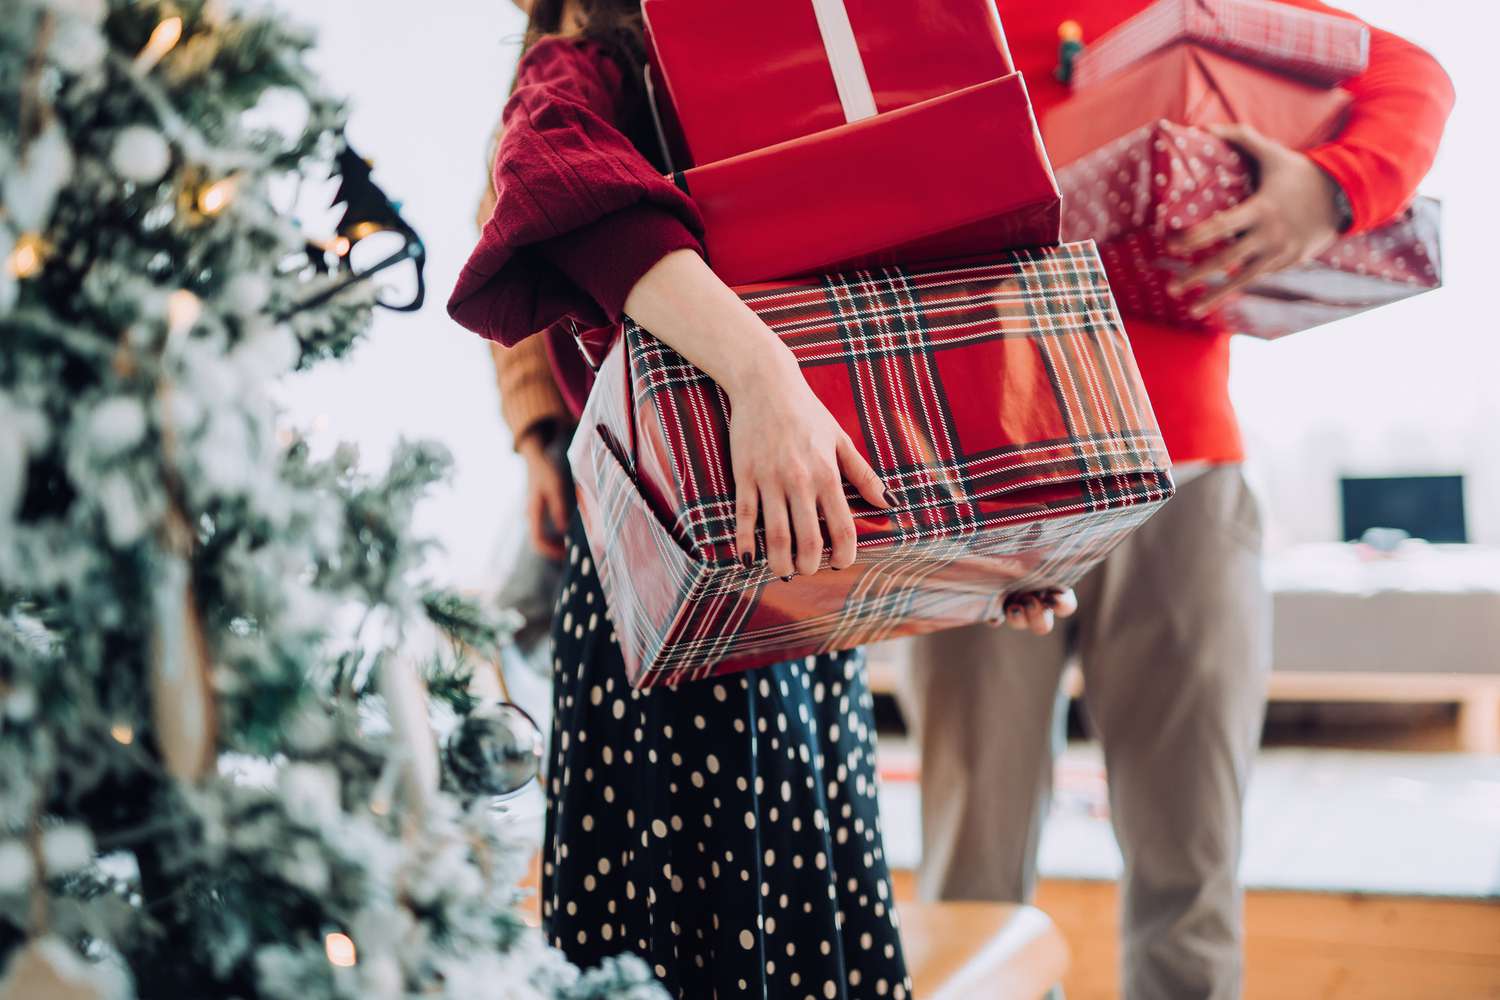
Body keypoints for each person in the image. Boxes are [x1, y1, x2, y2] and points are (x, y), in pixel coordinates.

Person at [452, 1, 1071, 993]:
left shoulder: (785, 72)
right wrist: (762, 375)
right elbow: (549, 177)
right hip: (670, 615)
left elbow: (866, 342)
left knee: (805, 946)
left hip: (787, 624)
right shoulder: (590, 68)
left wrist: (979, 557)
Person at [902, 3, 1453, 998]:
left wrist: (1331, 190)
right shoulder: (928, 21)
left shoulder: (1191, 8)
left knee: (1189, 890)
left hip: (1186, 479)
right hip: (977, 491)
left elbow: (1409, 71)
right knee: (968, 890)